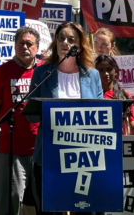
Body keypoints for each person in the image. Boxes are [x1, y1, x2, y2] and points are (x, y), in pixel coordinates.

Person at [28, 22, 101, 215]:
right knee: (50, 209)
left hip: (84, 154)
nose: (65, 42)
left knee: (85, 208)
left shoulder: (92, 75)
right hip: (50, 152)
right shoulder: (42, 72)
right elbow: (31, 114)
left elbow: (102, 114)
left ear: (80, 44)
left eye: (71, 39)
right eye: (61, 38)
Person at [0, 27, 40, 215]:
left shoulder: (44, 71)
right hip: (12, 147)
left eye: (29, 44)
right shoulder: (2, 71)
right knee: (11, 197)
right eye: (21, 43)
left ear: (37, 47)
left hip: (40, 146)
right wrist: (5, 127)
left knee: (41, 199)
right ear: (15, 45)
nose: (25, 47)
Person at [96, 54, 134, 135]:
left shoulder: (125, 97)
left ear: (116, 71)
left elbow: (131, 126)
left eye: (109, 69)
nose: (106, 73)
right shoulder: (90, 96)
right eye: (101, 70)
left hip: (120, 142)